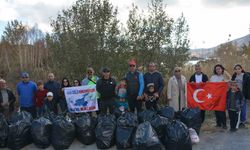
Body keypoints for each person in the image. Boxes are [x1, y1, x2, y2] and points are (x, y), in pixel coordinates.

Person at [210, 64, 230, 129]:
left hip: (222, 97)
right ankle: (218, 123)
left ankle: (224, 124)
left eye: (219, 69)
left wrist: (225, 74)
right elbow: (210, 86)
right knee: (216, 110)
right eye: (216, 69)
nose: (218, 70)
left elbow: (230, 79)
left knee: (222, 110)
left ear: (222, 69)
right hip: (215, 96)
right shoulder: (213, 77)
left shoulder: (224, 77)